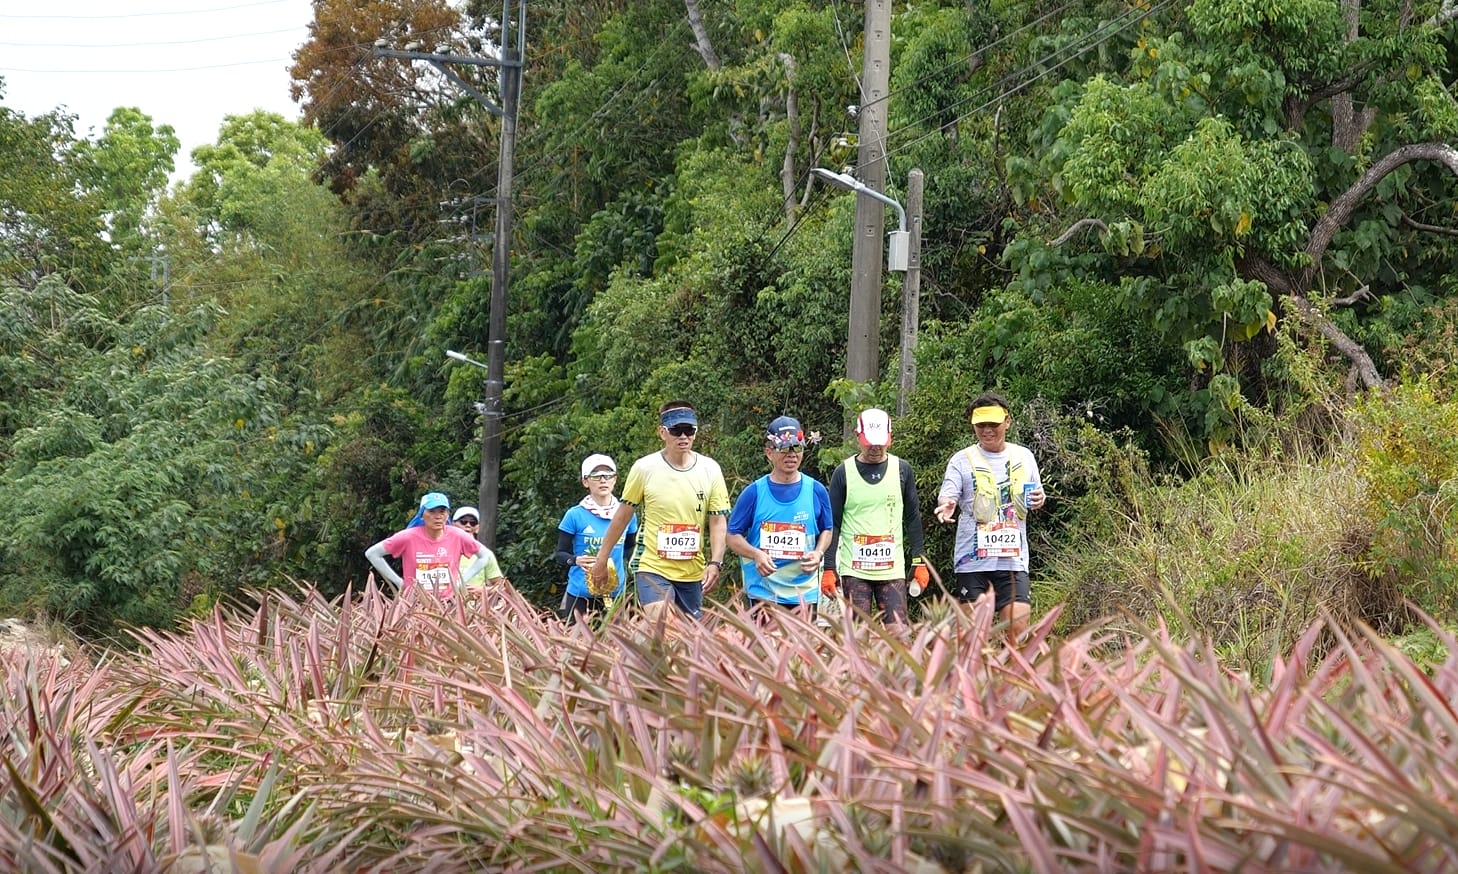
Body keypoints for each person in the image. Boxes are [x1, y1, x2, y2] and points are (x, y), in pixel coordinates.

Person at [590, 401, 730, 621]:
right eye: (676, 431)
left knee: (687, 642)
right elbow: (623, 515)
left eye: (689, 430)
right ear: (662, 432)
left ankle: (639, 654)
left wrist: (715, 562)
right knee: (664, 625)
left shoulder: (710, 469)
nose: (683, 437)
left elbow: (717, 521)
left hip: (692, 570)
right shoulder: (644, 468)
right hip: (652, 565)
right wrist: (602, 558)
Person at [933, 391, 1046, 640]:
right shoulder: (961, 460)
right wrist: (947, 504)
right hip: (972, 561)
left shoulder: (1024, 456)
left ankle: (1011, 676)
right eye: (981, 425)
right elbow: (948, 494)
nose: (987, 430)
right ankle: (972, 677)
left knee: (1017, 628)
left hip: (1013, 559)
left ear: (1007, 421)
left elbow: (1036, 494)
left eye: (993, 424)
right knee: (971, 635)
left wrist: (1039, 500)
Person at [822, 408, 929, 625]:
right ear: (857, 436)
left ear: (890, 438)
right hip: (854, 569)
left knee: (898, 635)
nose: (875, 447)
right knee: (858, 635)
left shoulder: (902, 469)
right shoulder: (843, 473)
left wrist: (919, 560)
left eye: (880, 442)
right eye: (870, 442)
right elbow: (833, 523)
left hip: (892, 568)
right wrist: (829, 568)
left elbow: (912, 517)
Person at [726, 416, 833, 617]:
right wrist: (756, 554)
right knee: (767, 648)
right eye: (784, 448)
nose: (791, 455)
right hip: (764, 592)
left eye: (797, 448)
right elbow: (732, 536)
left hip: (804, 593)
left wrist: (818, 552)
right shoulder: (754, 492)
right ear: (769, 452)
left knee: (802, 649)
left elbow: (827, 528)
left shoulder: (816, 490)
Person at [556, 454, 639, 623]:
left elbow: (630, 549)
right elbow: (560, 554)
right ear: (585, 481)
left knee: (616, 647)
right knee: (578, 646)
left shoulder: (627, 514)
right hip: (581, 593)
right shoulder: (574, 515)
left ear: (615, 480)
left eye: (608, 476)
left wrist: (640, 572)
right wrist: (575, 560)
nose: (603, 480)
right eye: (596, 476)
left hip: (615, 594)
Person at [365, 492, 493, 601]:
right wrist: (399, 582)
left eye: (442, 511)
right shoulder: (407, 537)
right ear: (422, 514)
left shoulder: (457, 535)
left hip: (448, 603)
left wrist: (461, 582)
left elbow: (484, 555)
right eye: (431, 511)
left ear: (447, 515)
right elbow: (372, 553)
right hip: (415, 603)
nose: (437, 516)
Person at [450, 506, 510, 590]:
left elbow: (502, 587)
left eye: (473, 523)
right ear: (452, 525)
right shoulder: (443, 550)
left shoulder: (486, 554)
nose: (468, 525)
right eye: (463, 521)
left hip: (476, 602)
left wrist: (481, 590)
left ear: (477, 528)